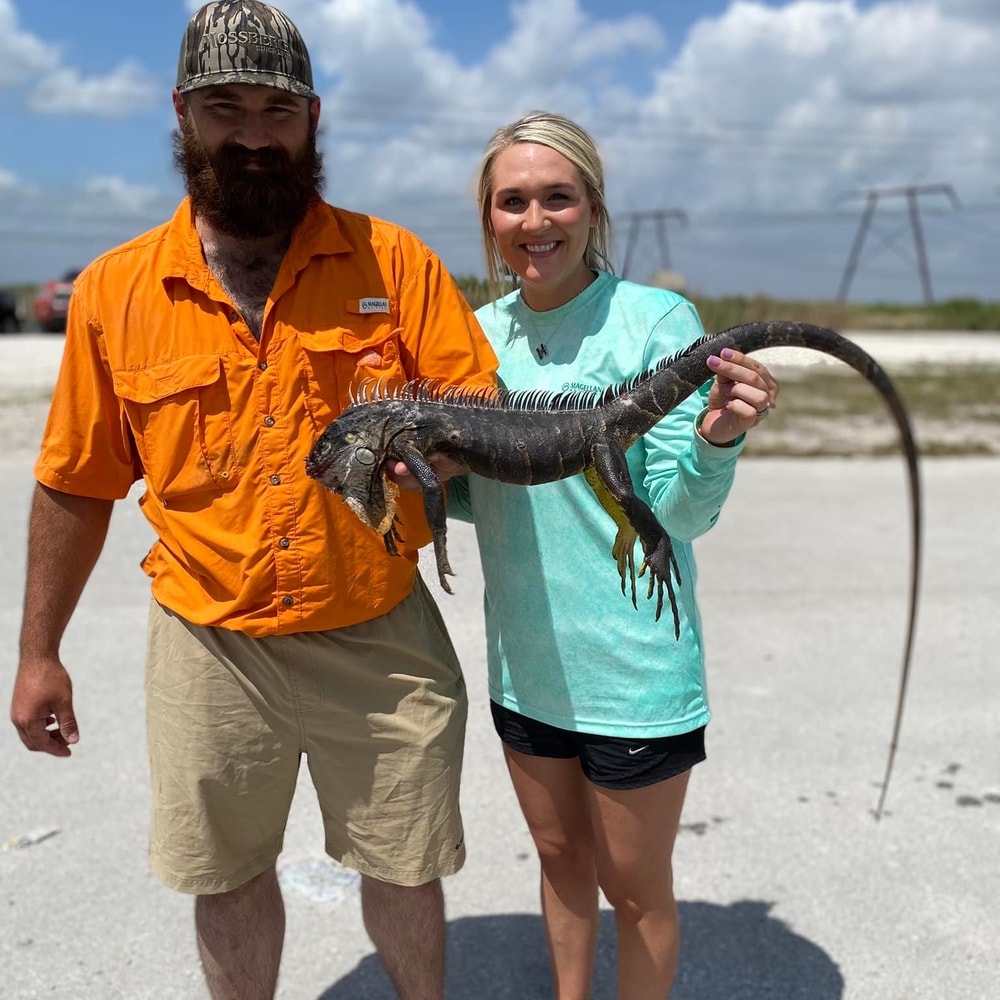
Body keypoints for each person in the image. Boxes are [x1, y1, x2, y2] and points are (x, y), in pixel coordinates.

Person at [8, 4, 497, 999]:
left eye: (277, 108)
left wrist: (437, 457)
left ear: (313, 118)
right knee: (226, 876)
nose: (253, 134)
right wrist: (38, 651)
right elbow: (75, 483)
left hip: (377, 624)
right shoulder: (117, 289)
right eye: (226, 106)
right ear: (181, 112)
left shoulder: (393, 263)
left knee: (404, 862)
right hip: (208, 634)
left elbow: (472, 410)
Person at [401, 111, 780, 999]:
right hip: (524, 661)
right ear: (490, 220)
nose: (537, 223)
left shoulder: (657, 320)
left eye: (557, 198)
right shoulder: (472, 336)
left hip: (634, 666)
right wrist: (421, 475)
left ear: (594, 208)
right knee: (561, 857)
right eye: (514, 202)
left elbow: (681, 515)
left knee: (635, 888)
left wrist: (719, 437)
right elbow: (467, 499)